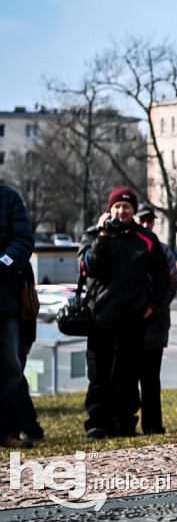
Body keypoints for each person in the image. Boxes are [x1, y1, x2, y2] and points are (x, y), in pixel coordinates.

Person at [78, 186, 170, 440]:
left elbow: (164, 276)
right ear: (110, 209)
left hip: (134, 320)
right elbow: (89, 268)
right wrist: (103, 236)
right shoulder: (93, 235)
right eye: (117, 206)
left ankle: (125, 424)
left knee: (128, 378)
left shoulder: (146, 239)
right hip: (100, 320)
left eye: (127, 207)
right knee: (99, 375)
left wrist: (152, 305)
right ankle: (98, 424)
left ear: (134, 211)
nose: (121, 211)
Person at [136, 204, 177, 435]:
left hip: (156, 324)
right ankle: (126, 425)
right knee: (128, 378)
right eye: (142, 221)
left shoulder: (164, 250)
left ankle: (153, 426)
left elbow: (171, 285)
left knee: (151, 379)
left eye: (150, 221)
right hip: (131, 324)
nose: (146, 225)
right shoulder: (129, 248)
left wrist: (153, 308)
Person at [0, 183, 36, 449]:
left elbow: (23, 241)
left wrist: (3, 264)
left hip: (4, 303)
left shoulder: (10, 198)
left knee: (10, 368)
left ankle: (8, 433)